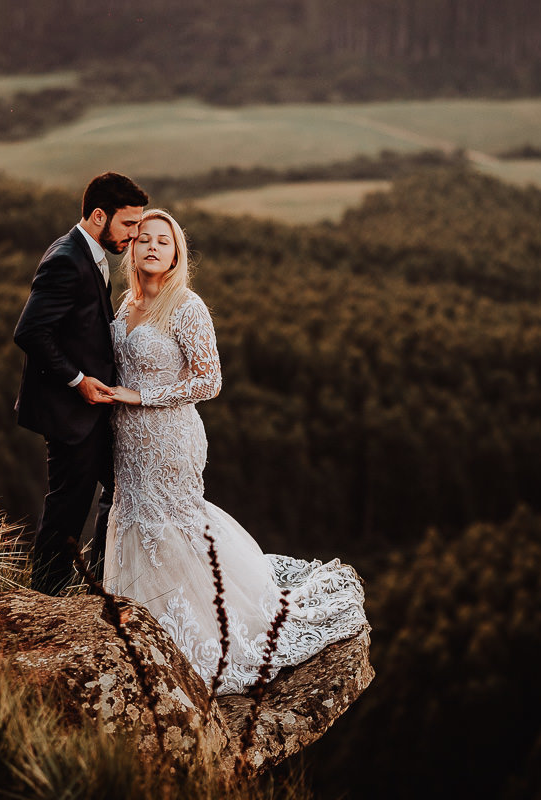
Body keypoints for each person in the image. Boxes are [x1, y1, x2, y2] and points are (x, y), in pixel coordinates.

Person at [103, 209, 370, 695]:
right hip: (128, 442)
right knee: (137, 523)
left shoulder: (186, 306)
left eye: (165, 240)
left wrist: (142, 396)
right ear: (132, 250)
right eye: (144, 239)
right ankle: (145, 624)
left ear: (178, 252)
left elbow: (210, 381)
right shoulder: (125, 305)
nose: (153, 247)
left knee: (173, 524)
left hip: (170, 439)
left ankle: (199, 631)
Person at [13, 172, 148, 594]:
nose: (135, 234)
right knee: (67, 508)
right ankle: (47, 596)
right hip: (70, 413)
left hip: (91, 412)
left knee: (118, 487)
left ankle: (101, 582)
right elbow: (31, 332)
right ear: (97, 216)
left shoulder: (89, 252)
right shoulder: (67, 259)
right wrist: (78, 381)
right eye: (128, 224)